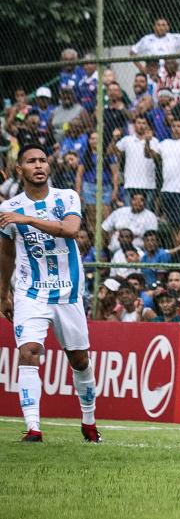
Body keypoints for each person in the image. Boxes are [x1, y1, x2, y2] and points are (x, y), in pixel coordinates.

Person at [0, 144, 100, 443]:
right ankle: (33, 428)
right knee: (29, 351)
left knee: (79, 361)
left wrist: (28, 220)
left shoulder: (67, 196)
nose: (39, 165)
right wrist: (3, 293)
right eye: (31, 161)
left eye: (43, 160)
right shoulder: (8, 209)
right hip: (30, 293)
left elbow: (71, 230)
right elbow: (6, 254)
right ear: (21, 169)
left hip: (68, 294)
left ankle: (89, 422)